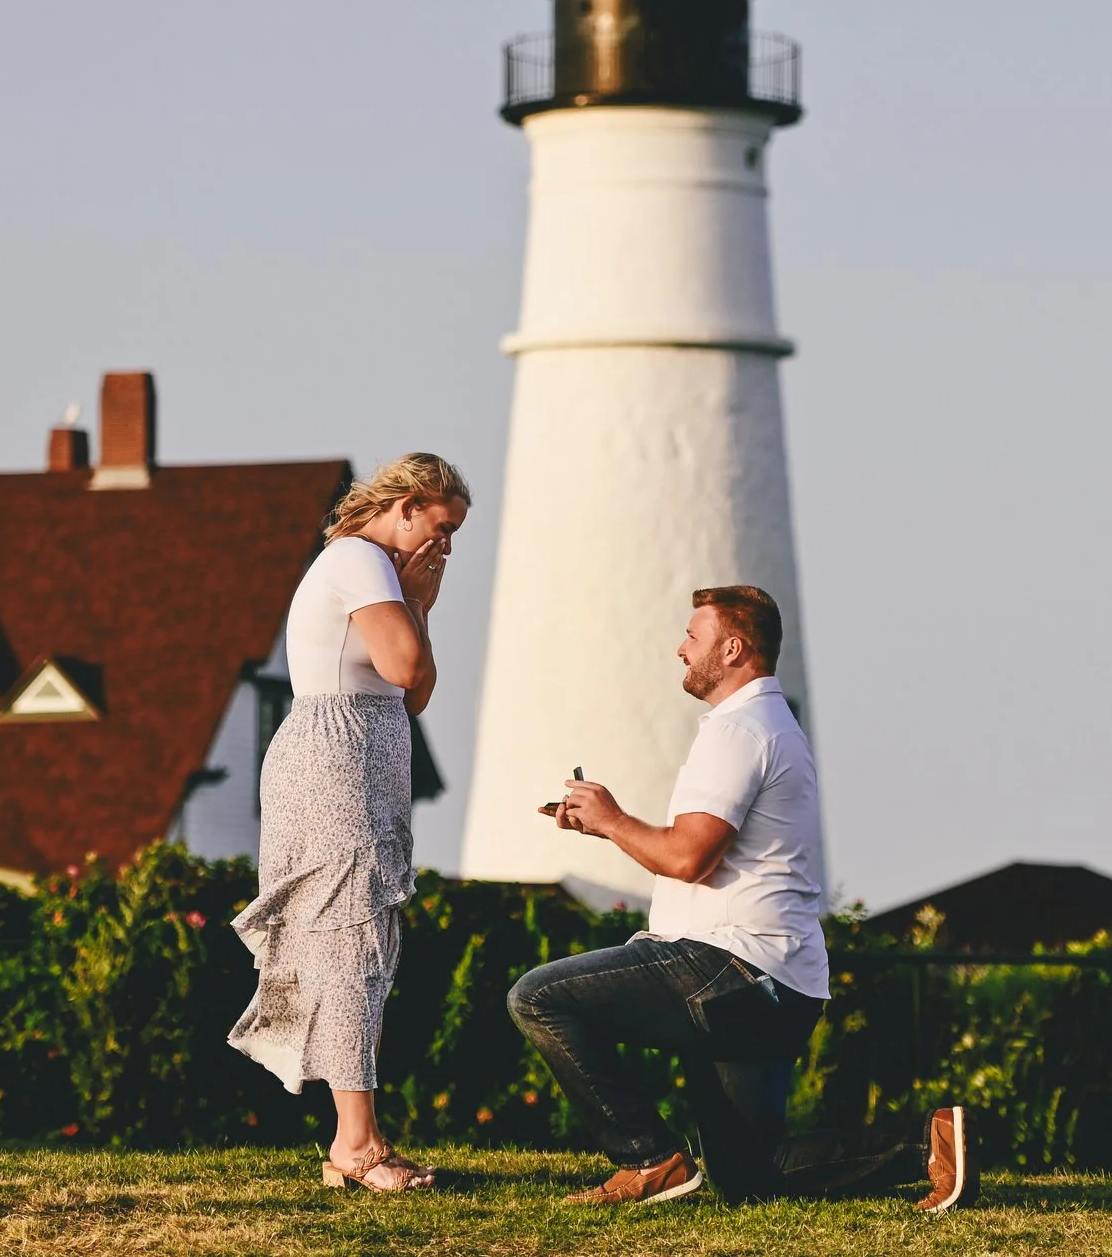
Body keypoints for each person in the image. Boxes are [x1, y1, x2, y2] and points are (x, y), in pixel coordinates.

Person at [507, 585, 976, 1210]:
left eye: (692, 637)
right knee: (749, 1174)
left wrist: (614, 819)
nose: (679, 649)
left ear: (732, 648)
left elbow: (689, 857)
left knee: (537, 996)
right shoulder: (769, 725)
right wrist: (604, 822)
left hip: (731, 967)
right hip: (780, 981)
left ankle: (648, 1160)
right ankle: (929, 1143)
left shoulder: (740, 731)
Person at [227, 452, 470, 1192]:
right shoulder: (362, 557)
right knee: (348, 941)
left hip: (360, 758)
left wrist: (418, 605)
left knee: (364, 942)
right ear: (407, 504)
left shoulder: (377, 572)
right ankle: (355, 1144)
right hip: (334, 763)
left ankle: (356, 1137)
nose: (447, 546)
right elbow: (406, 668)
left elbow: (413, 695)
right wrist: (418, 600)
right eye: (442, 526)